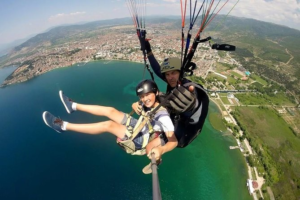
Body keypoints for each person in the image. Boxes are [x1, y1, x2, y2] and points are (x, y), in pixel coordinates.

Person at [42, 79, 178, 173]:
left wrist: (162, 150)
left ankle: (63, 126)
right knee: (110, 110)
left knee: (108, 125)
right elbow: (138, 105)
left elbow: (173, 141)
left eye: (147, 95)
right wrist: (135, 104)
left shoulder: (163, 117)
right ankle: (72, 106)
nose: (145, 99)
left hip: (141, 139)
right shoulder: (150, 102)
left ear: (155, 93)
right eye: (142, 96)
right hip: (141, 125)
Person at [133, 40, 209, 148]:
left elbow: (193, 97)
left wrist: (192, 106)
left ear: (180, 73)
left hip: (183, 133)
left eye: (173, 73)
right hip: (175, 122)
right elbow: (157, 70)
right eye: (167, 74)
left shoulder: (187, 87)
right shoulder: (173, 81)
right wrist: (149, 51)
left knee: (150, 146)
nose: (170, 77)